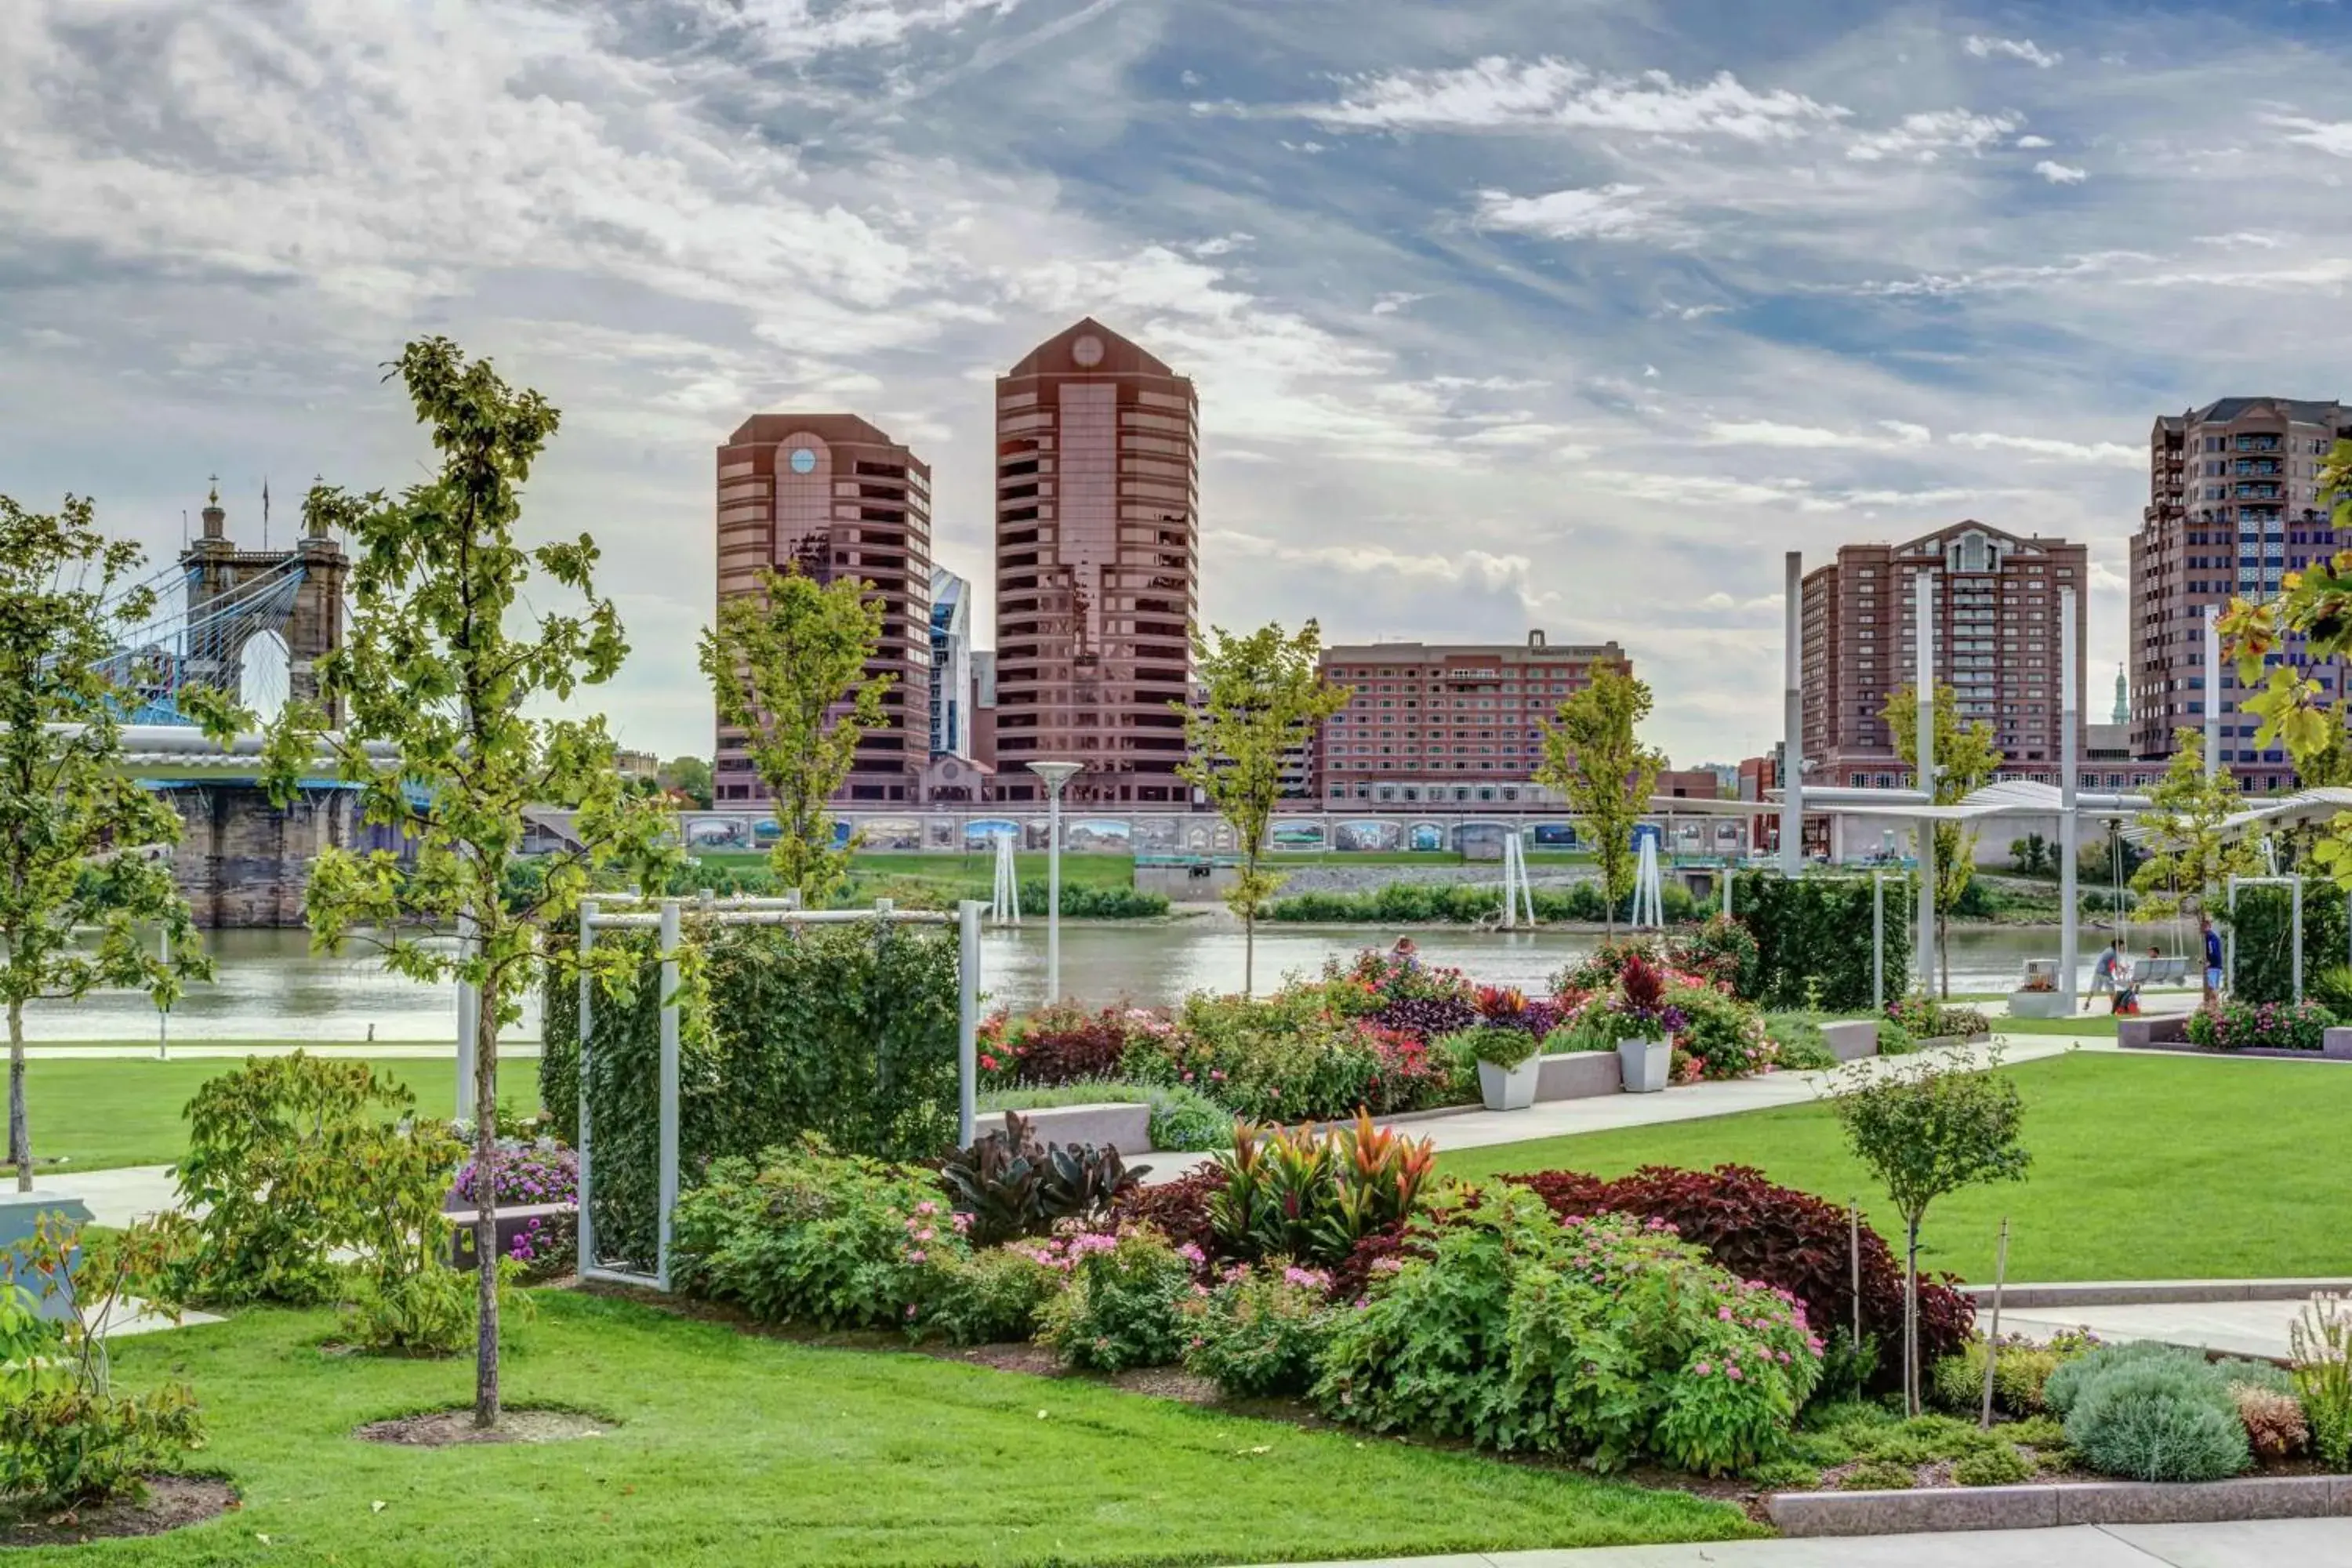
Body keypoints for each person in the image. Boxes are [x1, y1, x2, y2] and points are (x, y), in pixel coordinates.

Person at [2085, 938, 2122, 1011]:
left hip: (2098, 971)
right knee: (2111, 991)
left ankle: (2087, 1002)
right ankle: (2116, 1008)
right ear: (2118, 946)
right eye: (2122, 946)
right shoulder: (2114, 953)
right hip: (2105, 973)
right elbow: (2113, 965)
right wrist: (2119, 971)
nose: (2123, 948)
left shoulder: (2108, 950)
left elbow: (2111, 963)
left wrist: (2120, 968)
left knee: (2093, 988)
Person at [2201, 914, 2225, 1002]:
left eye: (2204, 926)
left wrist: (2210, 962)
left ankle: (2215, 1005)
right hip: (2217, 966)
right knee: (2214, 987)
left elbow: (2213, 951)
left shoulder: (2210, 938)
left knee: (2212, 988)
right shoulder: (2213, 937)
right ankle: (2215, 1006)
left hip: (2213, 967)